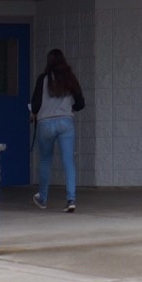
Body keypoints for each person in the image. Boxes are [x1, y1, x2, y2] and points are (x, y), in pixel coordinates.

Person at [30, 48, 85, 212]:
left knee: (45, 160)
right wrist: (71, 108)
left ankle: (42, 198)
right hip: (65, 122)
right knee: (68, 161)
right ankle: (71, 199)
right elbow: (80, 103)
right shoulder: (70, 78)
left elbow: (35, 104)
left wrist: (34, 113)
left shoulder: (43, 79)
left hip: (45, 123)